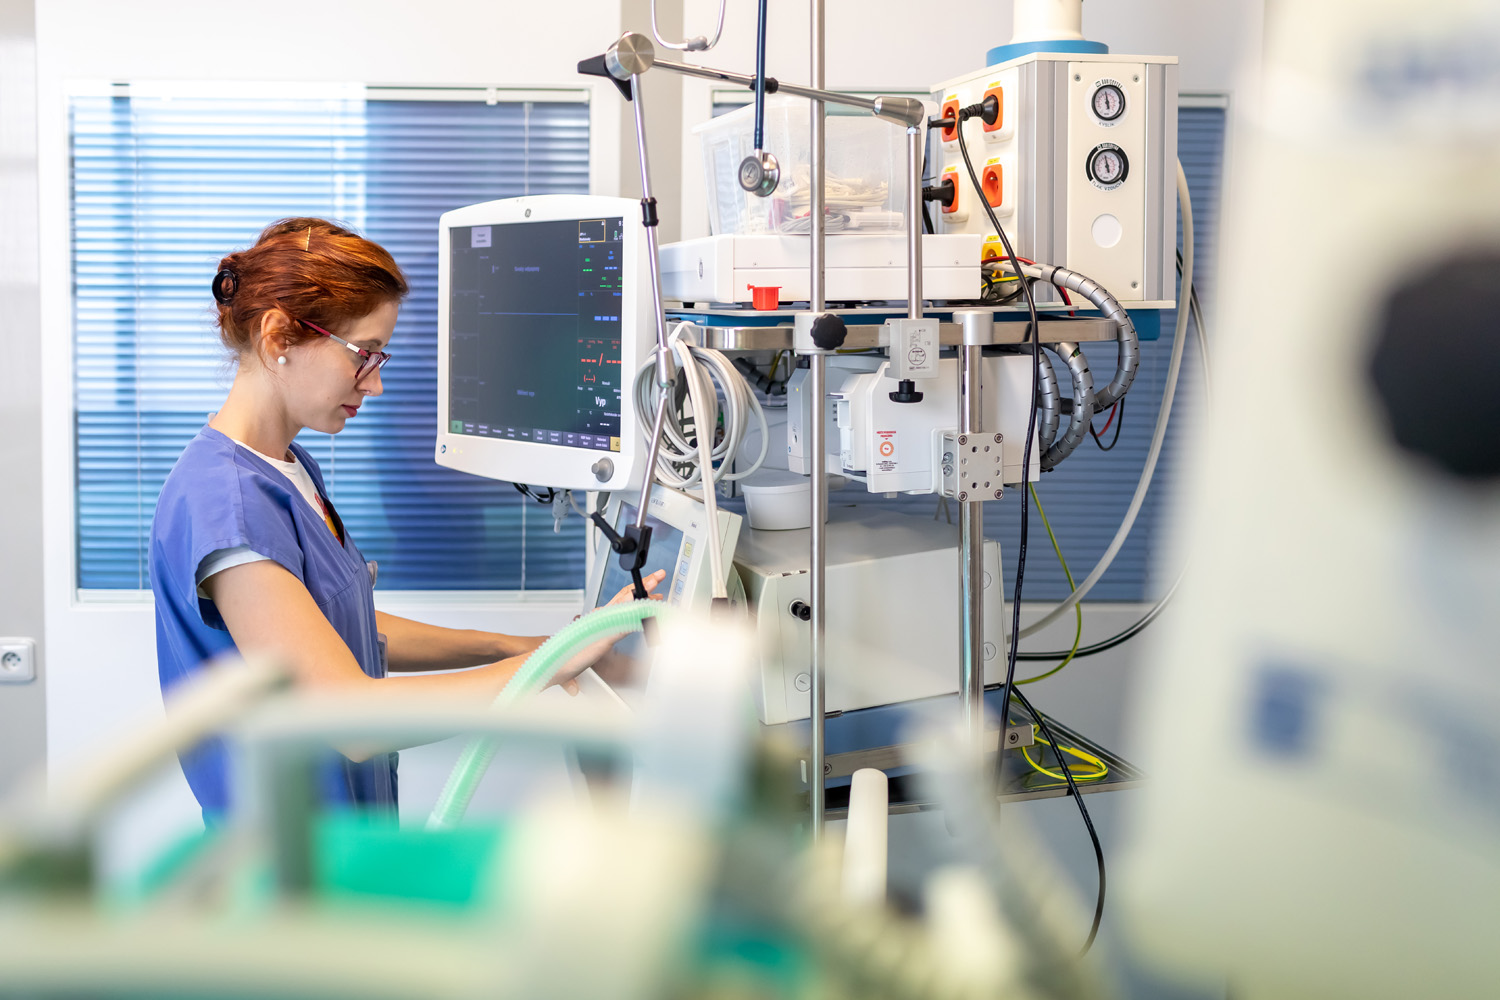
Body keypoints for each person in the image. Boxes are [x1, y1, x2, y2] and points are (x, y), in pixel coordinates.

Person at [149, 218, 661, 820]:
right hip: (292, 855)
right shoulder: (227, 506)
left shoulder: (285, 466)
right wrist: (546, 666)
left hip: (348, 836)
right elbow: (354, 720)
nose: (377, 385)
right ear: (278, 336)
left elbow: (336, 621)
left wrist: (517, 645)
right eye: (363, 356)